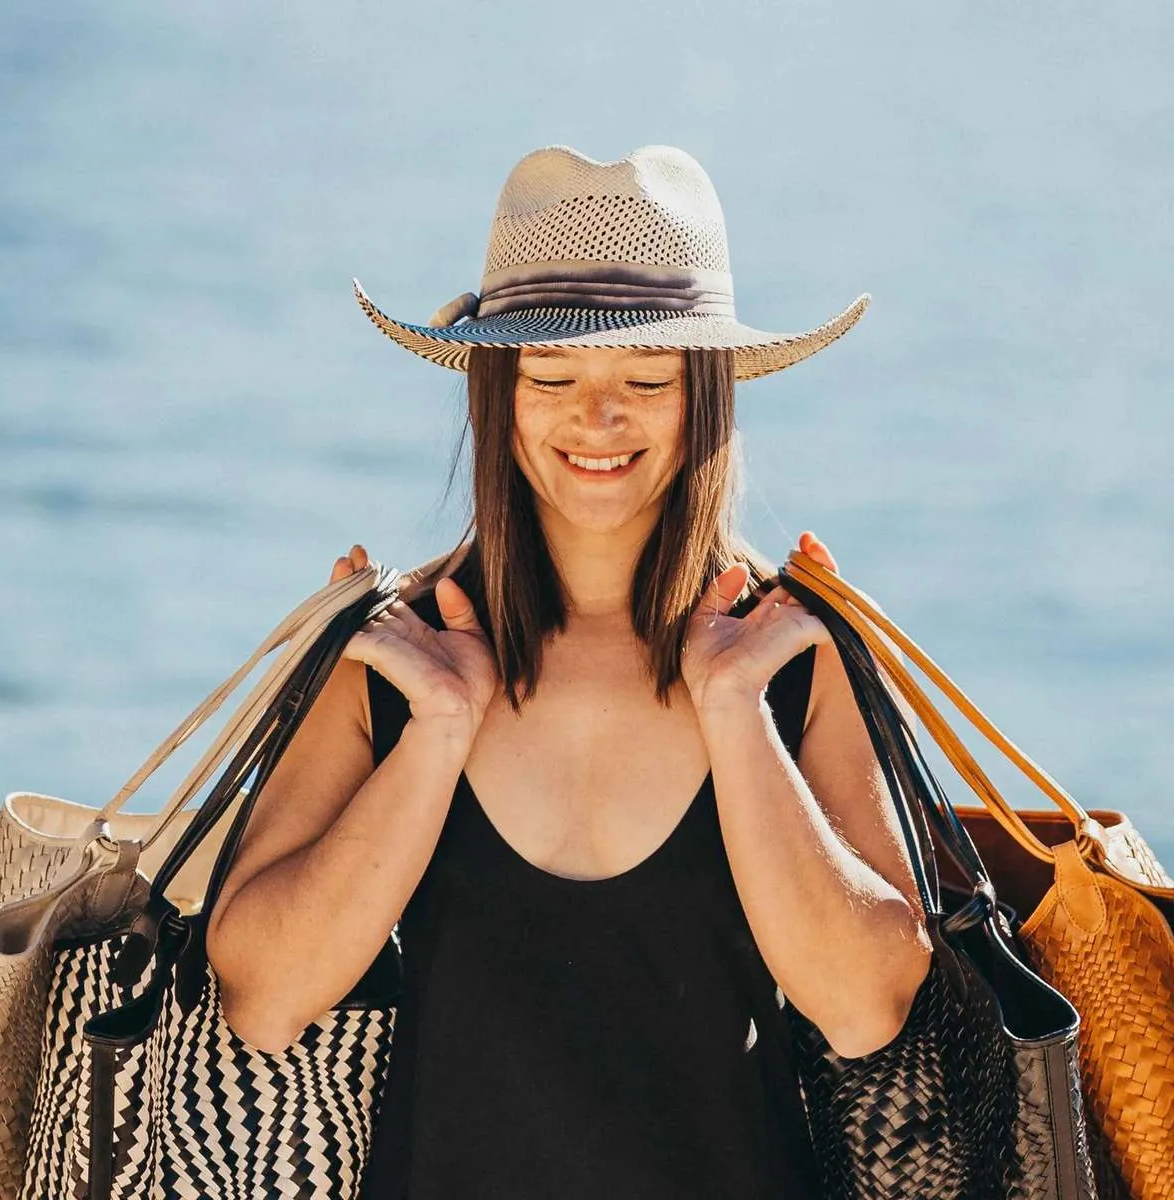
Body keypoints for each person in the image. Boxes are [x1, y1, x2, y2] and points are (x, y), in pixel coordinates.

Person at [204, 145, 934, 1198]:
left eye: (645, 380)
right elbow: (265, 999)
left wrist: (735, 713)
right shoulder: (392, 661)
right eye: (553, 379)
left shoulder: (788, 656)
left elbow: (865, 1006)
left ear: (707, 399)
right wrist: (441, 728)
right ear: (498, 394)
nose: (598, 419)